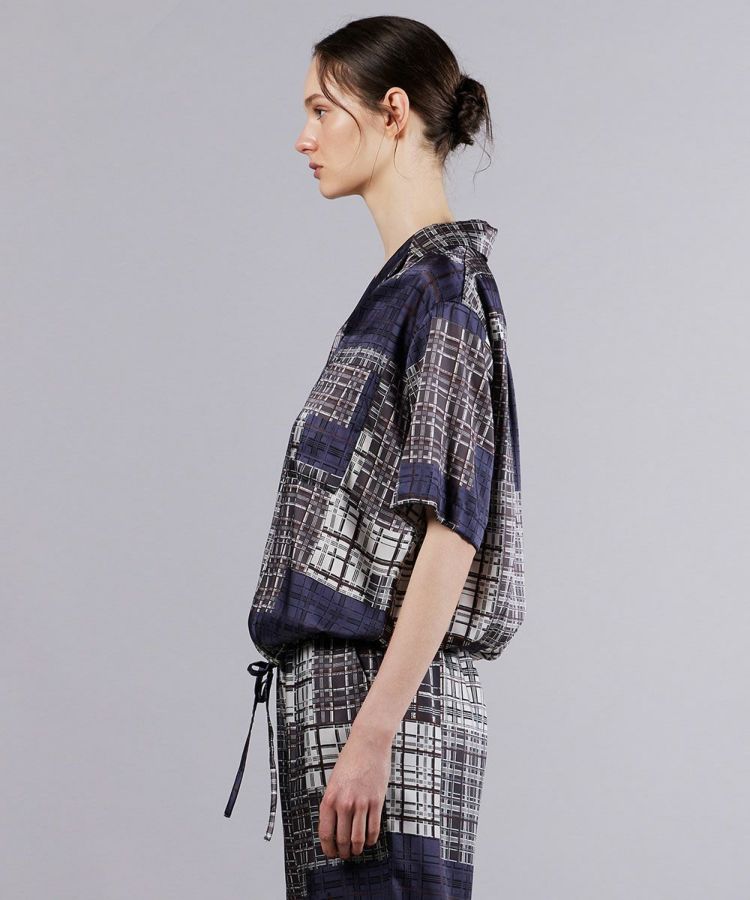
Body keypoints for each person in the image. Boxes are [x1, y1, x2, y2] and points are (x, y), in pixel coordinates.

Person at [224, 15, 525, 899]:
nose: (304, 136)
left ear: (392, 112)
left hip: (385, 709)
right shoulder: (403, 290)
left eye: (323, 108)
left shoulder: (443, 289)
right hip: (347, 705)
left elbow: (454, 530)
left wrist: (373, 732)